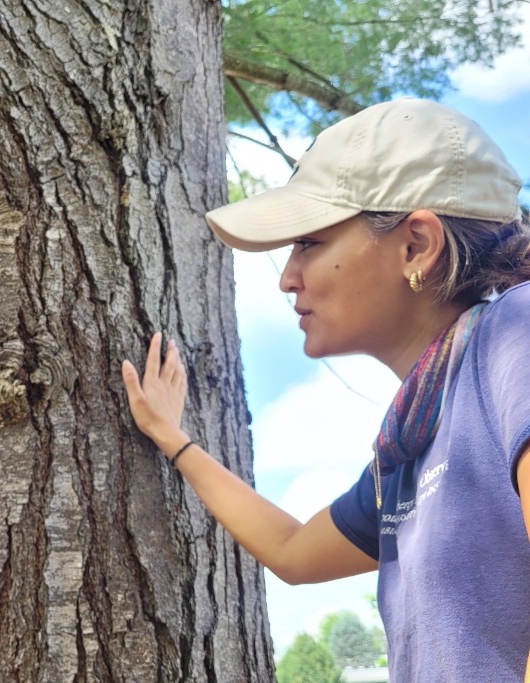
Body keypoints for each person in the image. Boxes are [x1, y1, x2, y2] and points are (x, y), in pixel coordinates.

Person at [122, 98, 530, 681]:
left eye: (309, 243)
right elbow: (293, 551)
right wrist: (171, 437)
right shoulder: (413, 440)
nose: (288, 277)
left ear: (416, 244)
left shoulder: (517, 331)